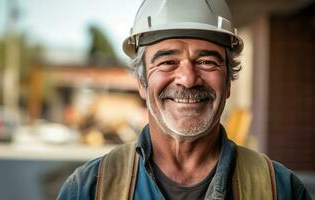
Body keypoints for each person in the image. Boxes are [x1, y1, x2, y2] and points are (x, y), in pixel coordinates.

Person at [57, 0, 311, 199]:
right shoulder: (90, 189)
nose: (188, 79)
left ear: (228, 82)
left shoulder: (279, 189)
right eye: (167, 62)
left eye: (206, 61)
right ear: (142, 83)